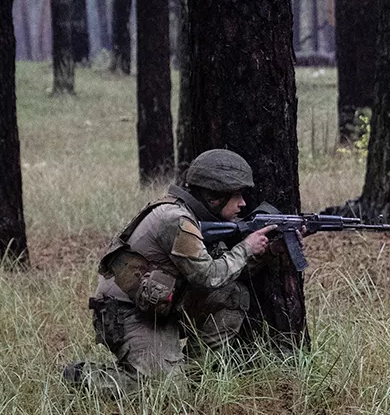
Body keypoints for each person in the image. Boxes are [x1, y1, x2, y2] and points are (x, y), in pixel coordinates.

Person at [63, 149, 280, 392]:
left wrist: (269, 250)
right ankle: (82, 376)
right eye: (237, 195)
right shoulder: (176, 220)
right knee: (163, 391)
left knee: (232, 295)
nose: (243, 203)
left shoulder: (196, 218)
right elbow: (208, 276)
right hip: (128, 313)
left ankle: (192, 379)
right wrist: (246, 248)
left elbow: (225, 273)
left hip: (162, 306)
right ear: (215, 196)